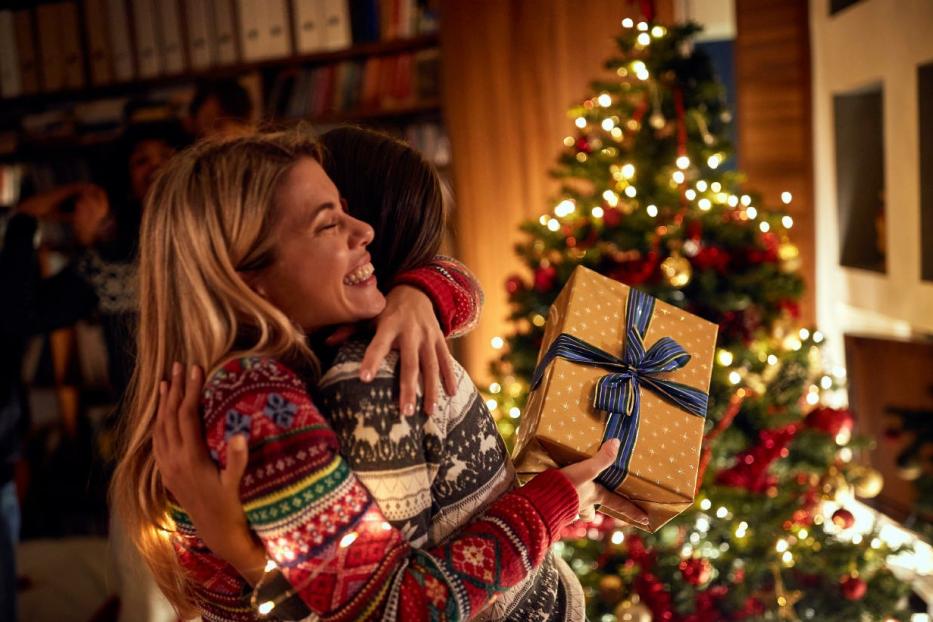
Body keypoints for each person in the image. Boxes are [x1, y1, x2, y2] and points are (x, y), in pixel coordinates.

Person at [113, 128, 646, 621]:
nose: (364, 230)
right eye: (328, 223)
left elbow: (461, 288)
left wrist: (420, 294)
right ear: (247, 280)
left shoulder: (272, 365)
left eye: (347, 210)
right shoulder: (256, 403)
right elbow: (395, 610)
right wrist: (551, 504)